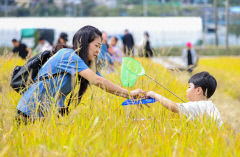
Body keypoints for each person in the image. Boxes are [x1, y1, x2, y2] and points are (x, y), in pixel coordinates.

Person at [16, 25, 146, 123]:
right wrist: (130, 94)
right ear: (84, 43)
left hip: (52, 112)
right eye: (96, 45)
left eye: (100, 47)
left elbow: (103, 83)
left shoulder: (84, 64)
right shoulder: (68, 55)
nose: (98, 50)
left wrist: (130, 95)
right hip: (31, 111)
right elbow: (98, 81)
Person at [147, 71, 223, 127]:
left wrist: (154, 95)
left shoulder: (198, 106)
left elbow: (174, 106)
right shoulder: (210, 106)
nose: (187, 90)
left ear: (198, 90)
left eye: (189, 87)